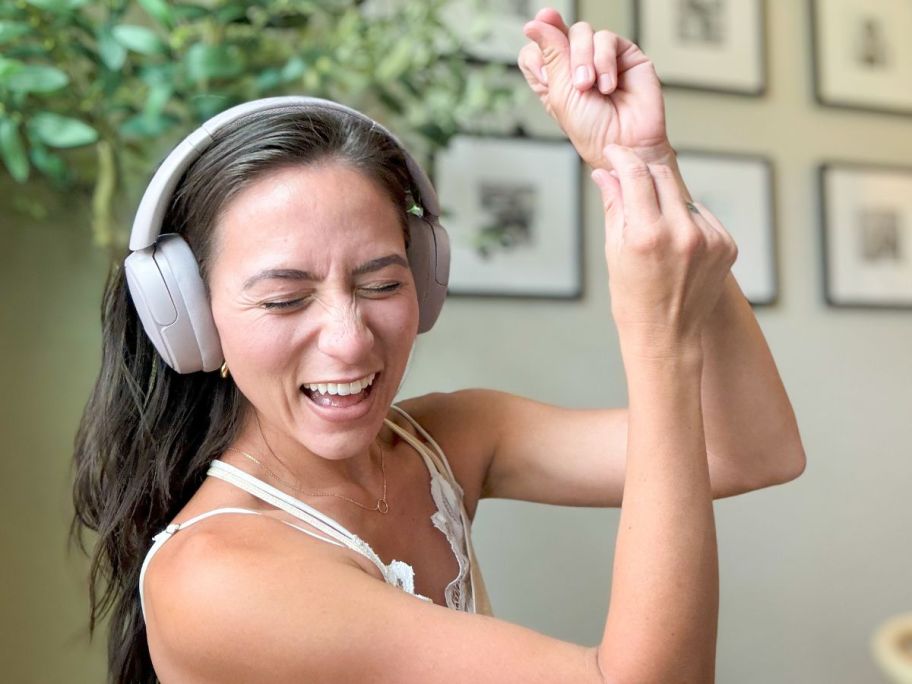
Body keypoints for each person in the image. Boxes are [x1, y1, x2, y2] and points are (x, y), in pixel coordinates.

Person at [71, 8, 806, 683]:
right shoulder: (218, 575)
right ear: (194, 320)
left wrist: (641, 166)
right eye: (286, 298)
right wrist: (657, 338)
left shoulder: (445, 442)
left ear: (425, 274)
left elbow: (752, 448)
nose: (349, 339)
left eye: (382, 283)